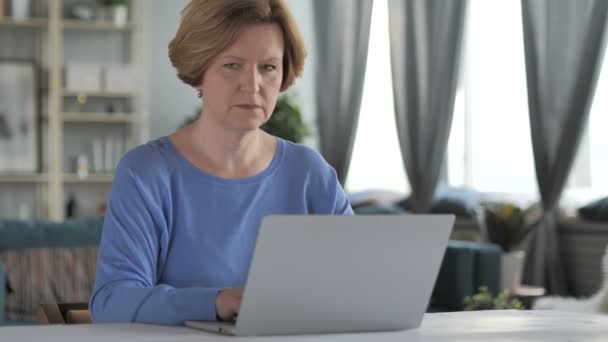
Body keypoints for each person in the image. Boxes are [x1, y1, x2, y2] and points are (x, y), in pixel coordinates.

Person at [89, 0, 353, 326]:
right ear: (199, 71)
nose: (253, 85)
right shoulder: (146, 172)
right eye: (232, 65)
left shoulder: (310, 173)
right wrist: (216, 301)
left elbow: (355, 283)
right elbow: (111, 300)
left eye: (268, 67)